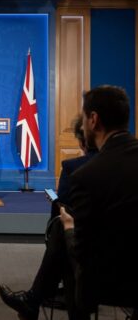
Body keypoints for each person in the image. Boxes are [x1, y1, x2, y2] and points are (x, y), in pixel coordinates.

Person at [0, 115, 98, 320]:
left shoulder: (74, 167)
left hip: (92, 262)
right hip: (129, 269)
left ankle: (34, 299)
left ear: (82, 140)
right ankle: (34, 299)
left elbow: (64, 207)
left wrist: (57, 205)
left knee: (62, 230)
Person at [59, 85, 138, 318]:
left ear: (93, 120)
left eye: (83, 119)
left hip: (110, 285)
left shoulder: (86, 177)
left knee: (62, 239)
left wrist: (69, 228)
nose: (82, 125)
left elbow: (81, 252)